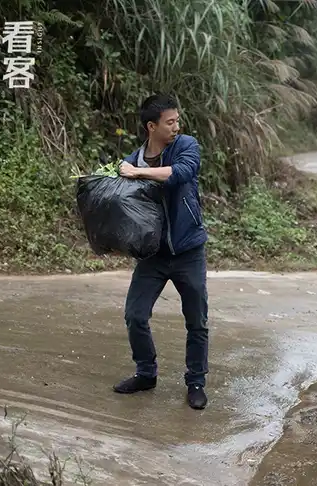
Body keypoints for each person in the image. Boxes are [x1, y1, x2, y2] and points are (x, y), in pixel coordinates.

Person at [113, 93, 210, 410]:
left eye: (177, 120)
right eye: (170, 122)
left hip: (187, 250)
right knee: (135, 315)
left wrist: (138, 173)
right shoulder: (134, 159)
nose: (176, 126)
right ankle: (146, 373)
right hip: (152, 254)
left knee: (196, 321)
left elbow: (181, 173)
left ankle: (196, 382)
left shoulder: (186, 146)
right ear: (151, 126)